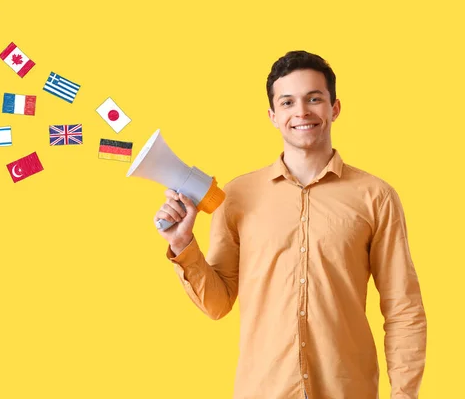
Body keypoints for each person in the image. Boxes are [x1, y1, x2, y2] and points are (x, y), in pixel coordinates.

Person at [154, 50, 427, 399]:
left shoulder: (376, 196)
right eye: (287, 102)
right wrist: (183, 245)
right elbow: (218, 304)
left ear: (335, 108)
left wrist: (404, 395)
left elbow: (403, 308)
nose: (301, 112)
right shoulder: (236, 196)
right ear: (272, 115)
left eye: (314, 99)